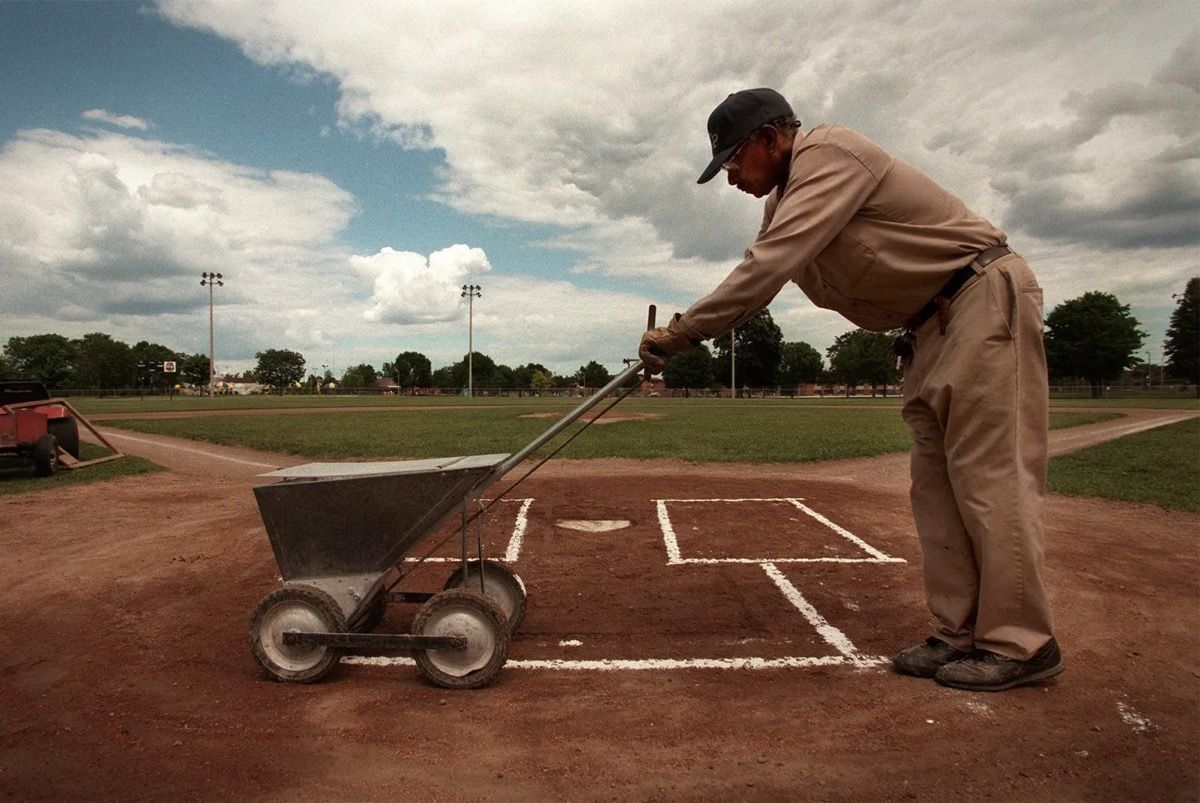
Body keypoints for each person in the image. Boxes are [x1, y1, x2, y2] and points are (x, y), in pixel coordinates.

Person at [639, 88, 1064, 692]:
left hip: (977, 300)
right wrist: (685, 335)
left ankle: (1023, 643)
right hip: (927, 328)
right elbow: (765, 264)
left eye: (735, 161)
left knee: (989, 480)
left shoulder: (830, 154)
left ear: (771, 137)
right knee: (936, 488)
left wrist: (681, 333)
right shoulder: (783, 201)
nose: (732, 178)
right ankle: (958, 633)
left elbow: (766, 269)